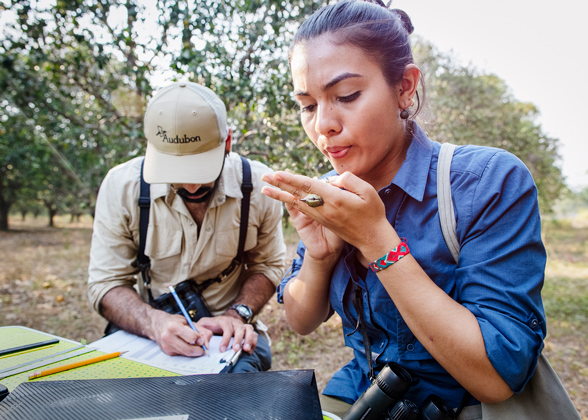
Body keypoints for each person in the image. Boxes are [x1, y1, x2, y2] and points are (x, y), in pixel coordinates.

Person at [260, 1, 546, 417]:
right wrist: (320, 258)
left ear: (405, 87)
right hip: (365, 393)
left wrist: (375, 240)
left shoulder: (488, 182)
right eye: (307, 105)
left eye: (346, 95)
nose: (323, 124)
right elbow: (302, 321)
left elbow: (496, 378)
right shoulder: (329, 192)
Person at [88, 81, 287, 373]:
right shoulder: (122, 186)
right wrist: (153, 323)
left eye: (202, 168)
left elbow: (268, 266)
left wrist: (237, 314)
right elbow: (106, 284)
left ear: (227, 143)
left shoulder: (259, 188)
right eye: (177, 172)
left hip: (226, 340)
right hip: (148, 334)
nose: (192, 186)